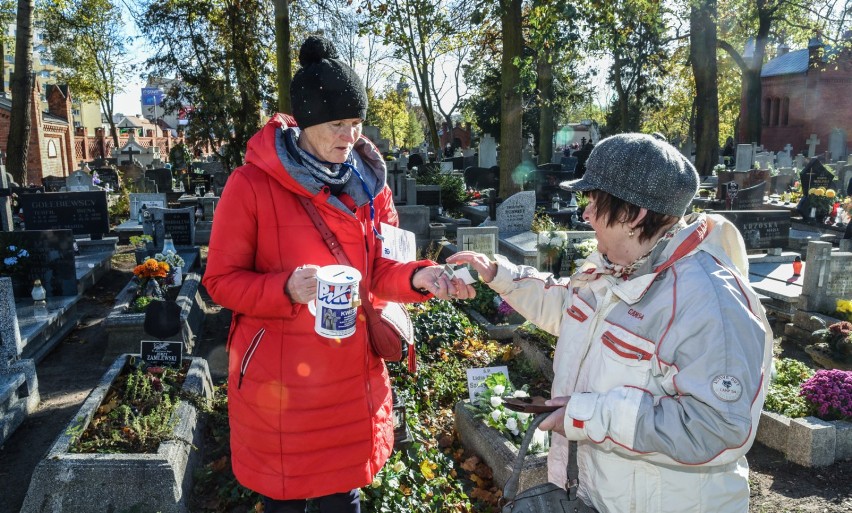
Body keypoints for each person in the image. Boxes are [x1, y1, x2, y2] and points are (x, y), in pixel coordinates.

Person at [203, 35, 474, 513]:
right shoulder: (250, 186)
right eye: (336, 124)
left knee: (342, 498)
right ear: (306, 122)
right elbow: (220, 282)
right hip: (279, 385)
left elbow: (382, 271)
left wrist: (420, 278)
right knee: (284, 501)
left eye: (355, 122)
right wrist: (284, 288)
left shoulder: (369, 184)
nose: (350, 136)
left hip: (351, 379)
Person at [449, 133, 774, 512]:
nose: (584, 214)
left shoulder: (711, 304)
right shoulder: (616, 265)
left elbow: (718, 428)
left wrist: (588, 415)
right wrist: (499, 276)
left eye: (594, 201)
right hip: (600, 495)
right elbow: (569, 309)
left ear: (634, 215)